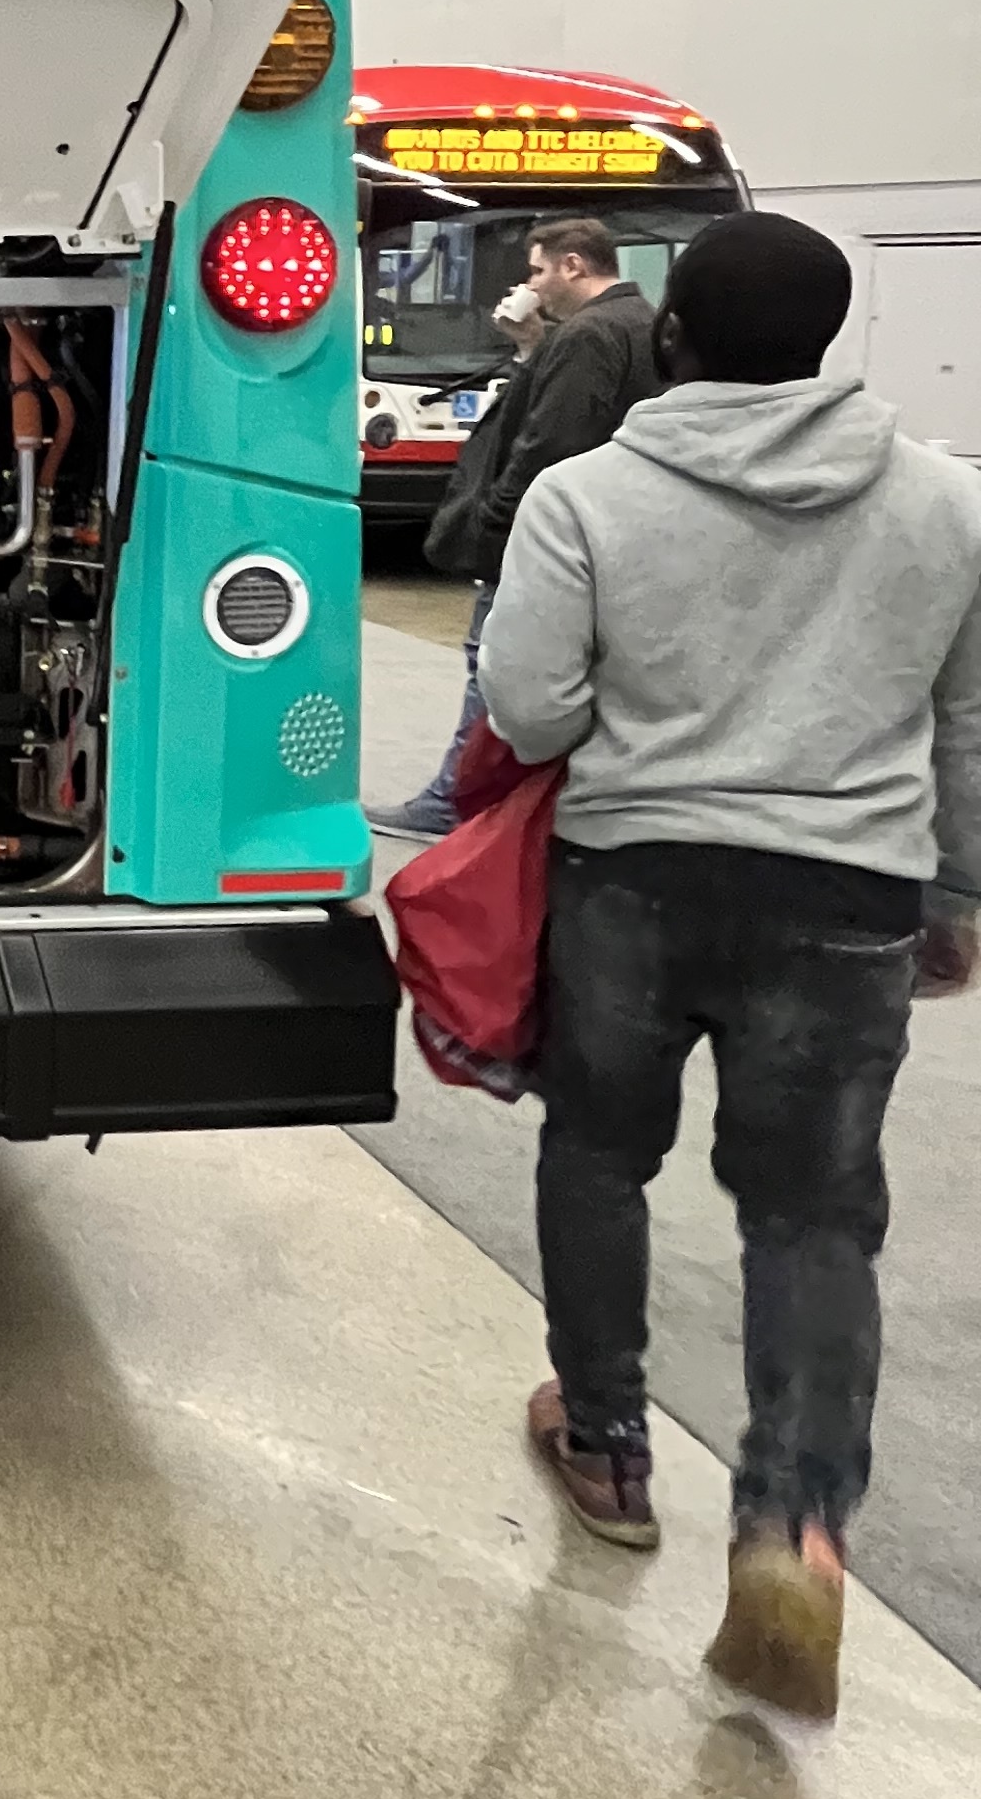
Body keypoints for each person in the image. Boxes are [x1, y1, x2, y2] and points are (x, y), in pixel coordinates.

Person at [478, 214, 981, 1723]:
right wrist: (957, 894)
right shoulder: (947, 499)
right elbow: (968, 725)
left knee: (599, 1154)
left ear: (671, 335)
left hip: (631, 882)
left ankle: (607, 1444)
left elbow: (528, 705)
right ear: (829, 339)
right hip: (848, 897)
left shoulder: (586, 494)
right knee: (813, 1219)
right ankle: (793, 1528)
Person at [378, 218, 660, 839]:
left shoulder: (589, 334)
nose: (531, 284)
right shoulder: (643, 322)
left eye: (537, 270)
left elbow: (547, 442)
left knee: (492, 665)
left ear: (572, 266)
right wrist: (532, 345)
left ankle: (455, 799)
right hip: (612, 536)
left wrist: (495, 523)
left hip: (542, 537)